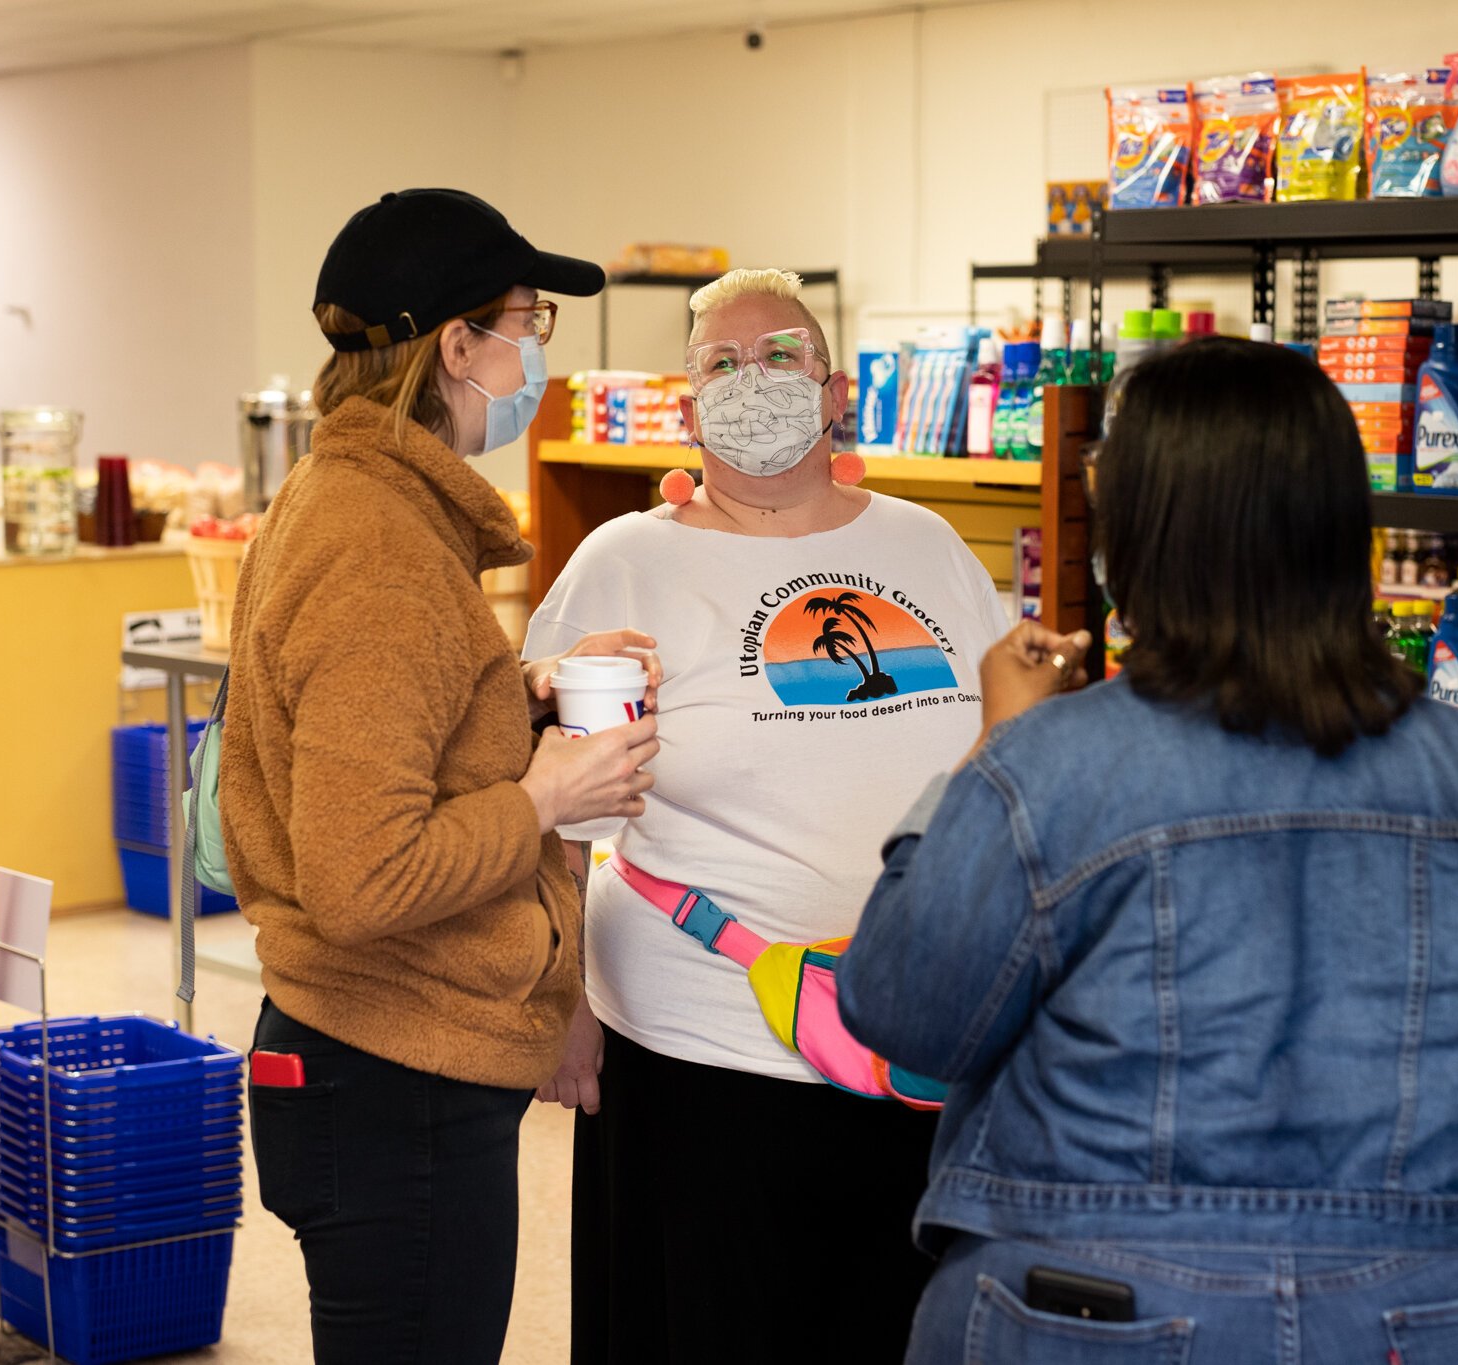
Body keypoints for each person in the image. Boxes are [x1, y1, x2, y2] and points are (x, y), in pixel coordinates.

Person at [839, 337, 1458, 1364]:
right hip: (1414, 1307)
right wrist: (1424, 1239)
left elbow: (905, 1009)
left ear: (1137, 538)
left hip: (1088, 1299)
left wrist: (979, 754)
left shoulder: (1046, 765)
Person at [525, 268, 1015, 1364]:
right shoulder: (628, 560)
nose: (755, 380)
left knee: (891, 1323)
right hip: (703, 1039)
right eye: (721, 363)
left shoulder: (924, 545)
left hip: (911, 1036)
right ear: (687, 406)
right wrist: (558, 995)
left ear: (833, 390)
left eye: (782, 355)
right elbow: (552, 788)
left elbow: (998, 750)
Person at [221, 188, 662, 1365]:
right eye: (530, 321)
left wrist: (517, 688)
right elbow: (363, 873)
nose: (534, 356)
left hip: (367, 1062)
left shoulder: (357, 502)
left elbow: (379, 715)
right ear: (457, 344)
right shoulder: (382, 550)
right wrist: (546, 798)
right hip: (392, 1076)